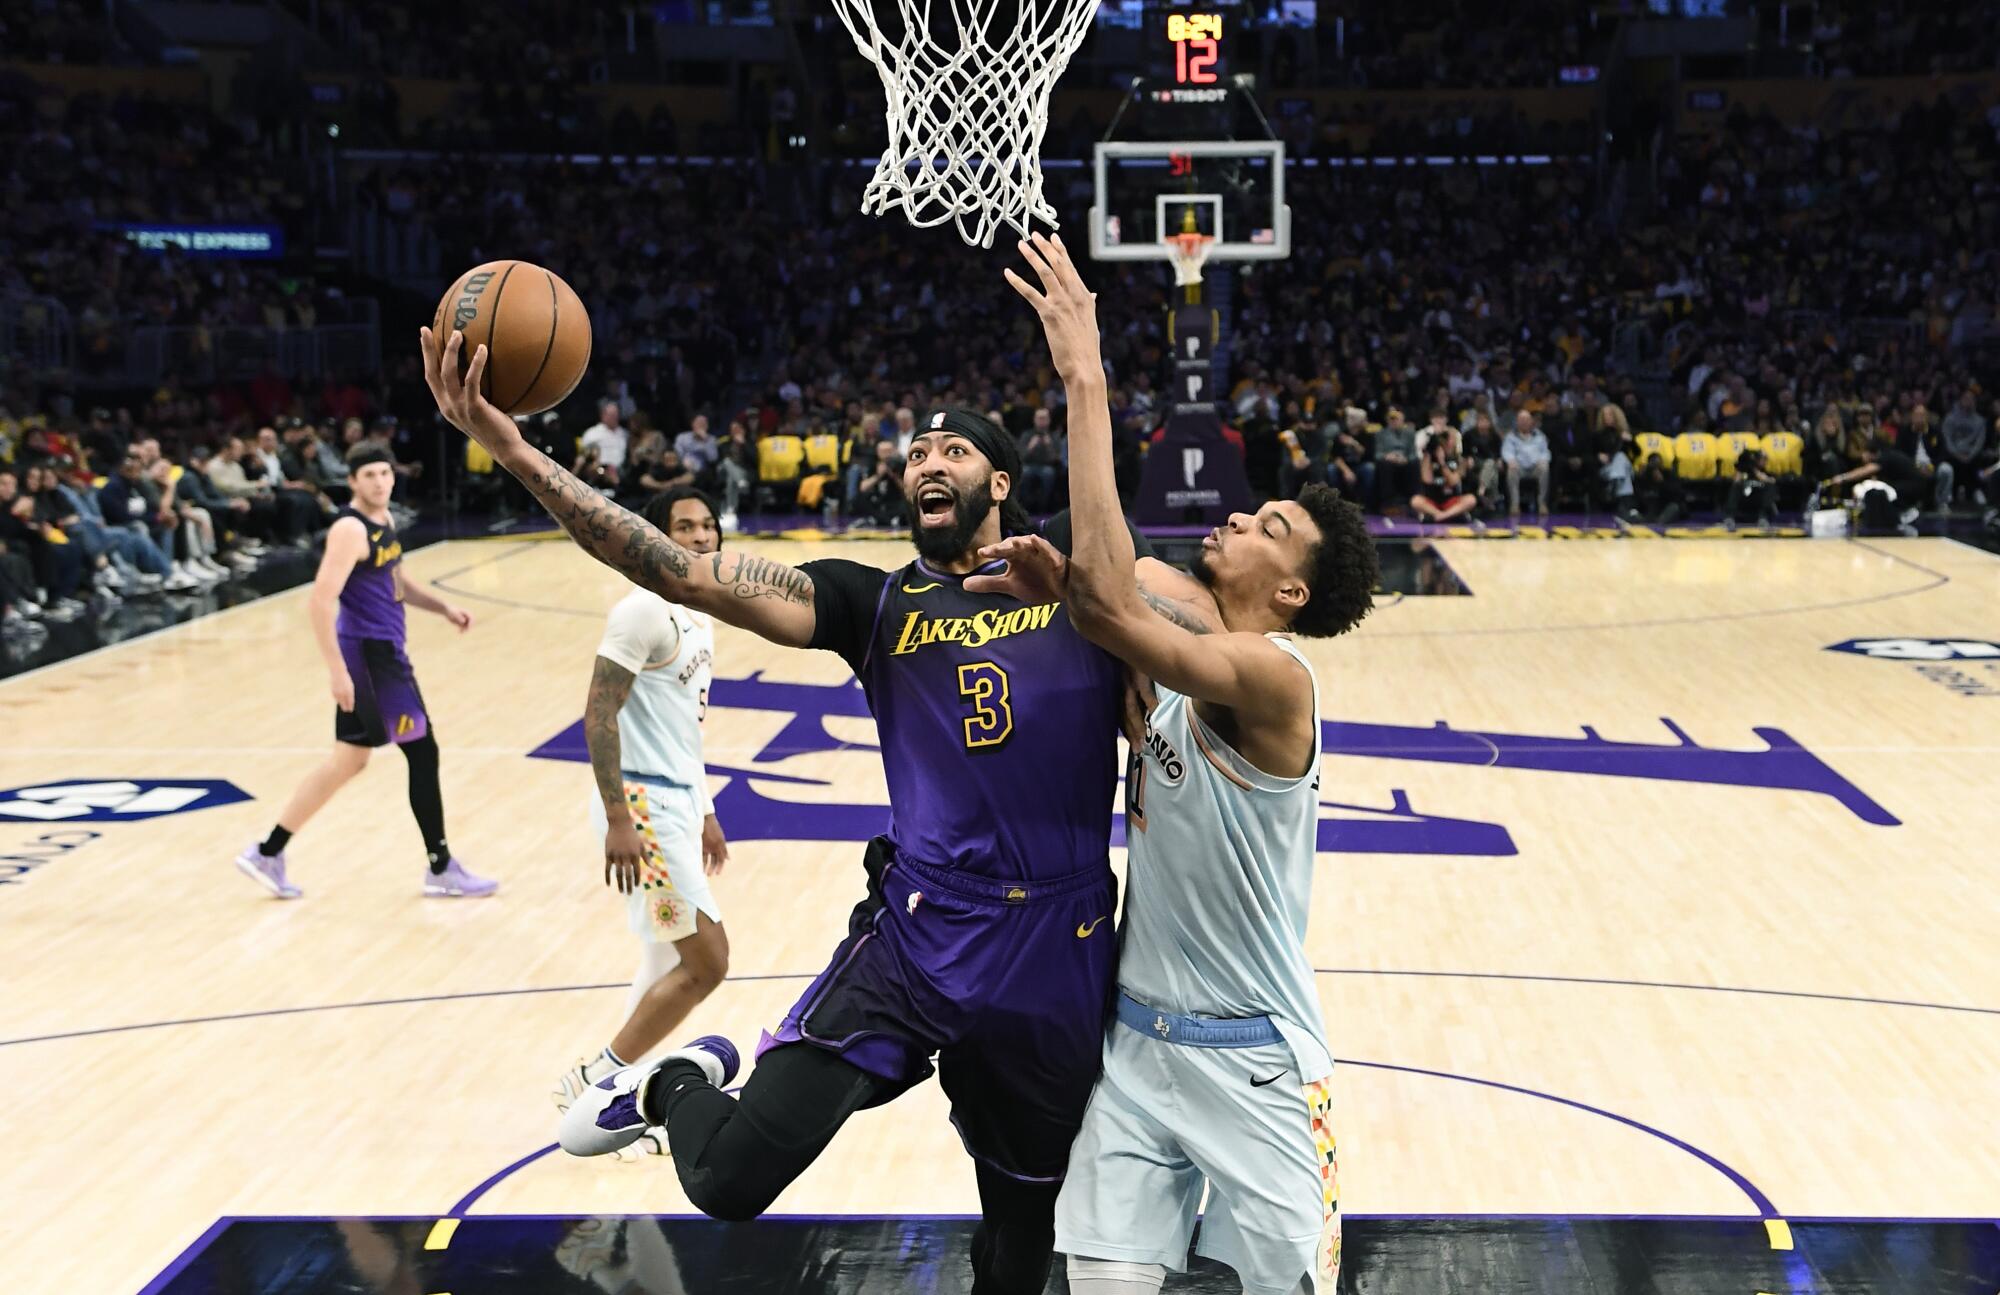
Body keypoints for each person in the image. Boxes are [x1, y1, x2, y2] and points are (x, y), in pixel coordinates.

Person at [420, 315, 1220, 1295]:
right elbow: (674, 567)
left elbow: (1207, 630)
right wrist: (509, 444)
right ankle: (676, 1079)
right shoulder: (869, 602)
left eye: (953, 448)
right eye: (915, 450)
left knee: (1019, 1227)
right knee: (726, 1179)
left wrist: (1114, 619)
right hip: (920, 931)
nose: (926, 460)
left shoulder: (1074, 574)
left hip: (1061, 937)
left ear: (998, 483)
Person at [987, 233, 1377, 1295]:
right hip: (1134, 1044)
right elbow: (1125, 601)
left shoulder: (1276, 679)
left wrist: (1083, 370)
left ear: (1290, 589)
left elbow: (1120, 604)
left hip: (1251, 1060)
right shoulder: (1184, 674)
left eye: (1271, 525)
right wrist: (1061, 576)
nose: (1242, 514)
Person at [234, 445, 493, 900]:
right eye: (369, 474)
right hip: (372, 660)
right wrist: (337, 672)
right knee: (423, 753)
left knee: (349, 760)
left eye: (385, 472)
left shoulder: (385, 522)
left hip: (383, 654)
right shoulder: (350, 530)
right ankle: (440, 866)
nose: (379, 481)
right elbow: (318, 601)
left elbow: (396, 581)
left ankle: (267, 851)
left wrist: (443, 607)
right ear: (352, 481)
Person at [1501, 409, 1551, 523]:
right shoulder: (1511, 436)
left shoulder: (1540, 436)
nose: (1524, 422)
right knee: (1511, 470)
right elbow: (1507, 451)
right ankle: (1515, 504)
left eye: (1526, 419)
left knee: (1545, 468)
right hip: (1519, 467)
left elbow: (1545, 452)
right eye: (1521, 419)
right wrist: (1511, 460)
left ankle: (1542, 503)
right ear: (1517, 422)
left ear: (1531, 421)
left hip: (1535, 467)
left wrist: (1543, 460)